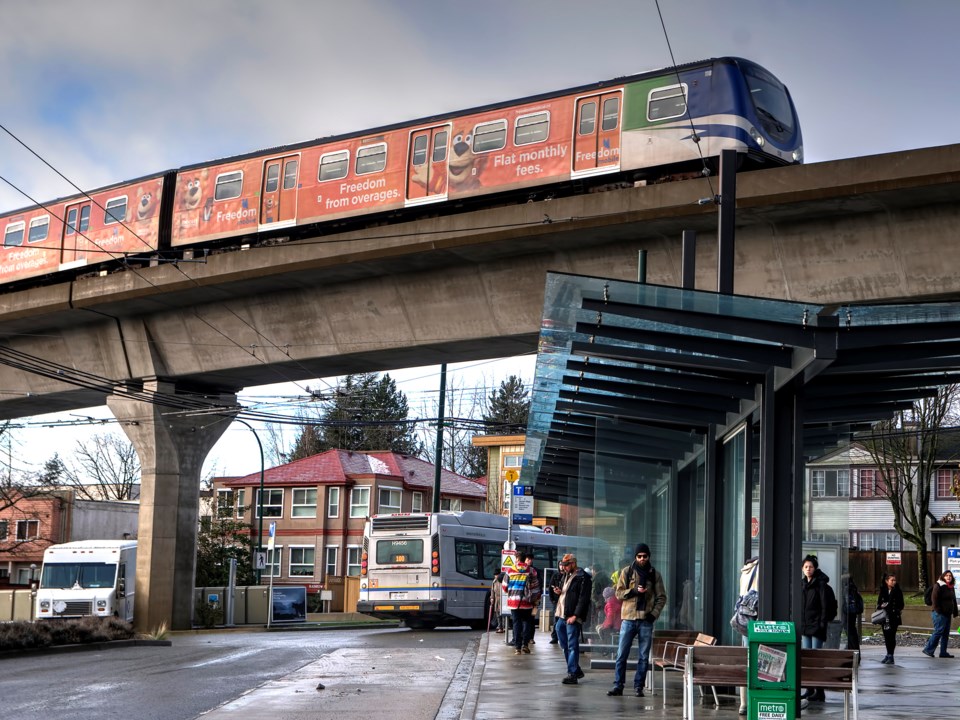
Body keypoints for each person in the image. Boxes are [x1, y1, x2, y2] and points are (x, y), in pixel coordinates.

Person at [607, 543, 667, 698]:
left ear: (649, 557)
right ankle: (618, 685)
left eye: (644, 556)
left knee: (643, 656)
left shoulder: (655, 574)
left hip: (646, 620)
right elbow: (618, 593)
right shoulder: (627, 572)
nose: (642, 559)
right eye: (639, 556)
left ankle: (638, 686)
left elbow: (661, 597)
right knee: (622, 654)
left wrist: (653, 615)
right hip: (628, 619)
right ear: (635, 557)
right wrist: (634, 591)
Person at [799, 554, 837, 703]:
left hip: (817, 627)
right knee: (808, 660)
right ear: (802, 569)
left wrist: (821, 624)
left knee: (816, 659)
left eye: (811, 567)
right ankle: (809, 689)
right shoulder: (802, 584)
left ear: (815, 568)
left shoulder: (821, 585)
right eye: (806, 567)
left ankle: (819, 692)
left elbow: (824, 607)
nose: (808, 569)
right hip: (805, 627)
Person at [554, 552, 592, 684]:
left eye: (566, 565)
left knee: (572, 646)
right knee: (564, 644)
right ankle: (575, 670)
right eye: (563, 565)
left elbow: (583, 599)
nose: (563, 567)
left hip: (572, 616)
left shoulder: (583, 577)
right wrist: (559, 592)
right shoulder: (566, 575)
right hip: (562, 614)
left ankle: (572, 674)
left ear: (573, 563)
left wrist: (575, 615)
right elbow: (568, 595)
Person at [502, 551, 541, 655]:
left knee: (516, 624)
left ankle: (517, 648)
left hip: (514, 602)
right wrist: (536, 598)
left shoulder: (510, 570)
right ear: (524, 559)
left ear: (517, 559)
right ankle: (525, 645)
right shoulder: (531, 571)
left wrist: (511, 591)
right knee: (527, 623)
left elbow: (504, 587)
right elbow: (536, 587)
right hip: (527, 602)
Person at [736, 557, 759, 716]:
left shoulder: (745, 570)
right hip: (757, 619)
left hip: (744, 620)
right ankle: (755, 699)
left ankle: (744, 703)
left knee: (747, 658)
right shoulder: (760, 570)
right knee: (757, 660)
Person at [922, 569, 959, 658]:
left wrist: (955, 612)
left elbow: (953, 600)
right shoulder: (938, 585)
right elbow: (934, 599)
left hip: (947, 613)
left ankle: (943, 652)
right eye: (947, 575)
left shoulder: (950, 587)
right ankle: (928, 649)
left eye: (950, 576)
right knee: (938, 631)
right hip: (939, 613)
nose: (949, 577)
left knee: (946, 633)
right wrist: (938, 610)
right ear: (943, 577)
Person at [876, 573, 904, 664]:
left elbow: (901, 604)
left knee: (892, 636)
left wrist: (895, 609)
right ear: (887, 581)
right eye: (892, 580)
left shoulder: (897, 591)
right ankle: (888, 654)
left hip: (893, 617)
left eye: (894, 580)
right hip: (885, 617)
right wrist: (882, 605)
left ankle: (891, 655)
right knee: (886, 636)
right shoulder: (883, 590)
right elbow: (879, 603)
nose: (893, 582)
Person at [596, 586, 623, 652]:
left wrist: (604, 625)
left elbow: (610, 617)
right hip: (620, 625)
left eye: (605, 598)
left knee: (600, 629)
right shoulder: (618, 600)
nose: (605, 600)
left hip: (615, 626)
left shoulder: (610, 603)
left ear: (609, 597)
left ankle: (606, 648)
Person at [841, 573, 863, 651]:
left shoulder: (846, 588)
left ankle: (853, 652)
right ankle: (854, 652)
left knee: (850, 635)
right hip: (852, 615)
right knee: (852, 634)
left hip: (847, 615)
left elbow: (846, 603)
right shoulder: (853, 588)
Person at [547, 559, 566, 644]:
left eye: (563, 565)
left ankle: (563, 636)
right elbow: (550, 588)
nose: (561, 567)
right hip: (556, 601)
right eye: (560, 565)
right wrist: (552, 600)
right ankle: (555, 637)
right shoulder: (555, 575)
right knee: (556, 619)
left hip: (565, 601)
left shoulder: (567, 576)